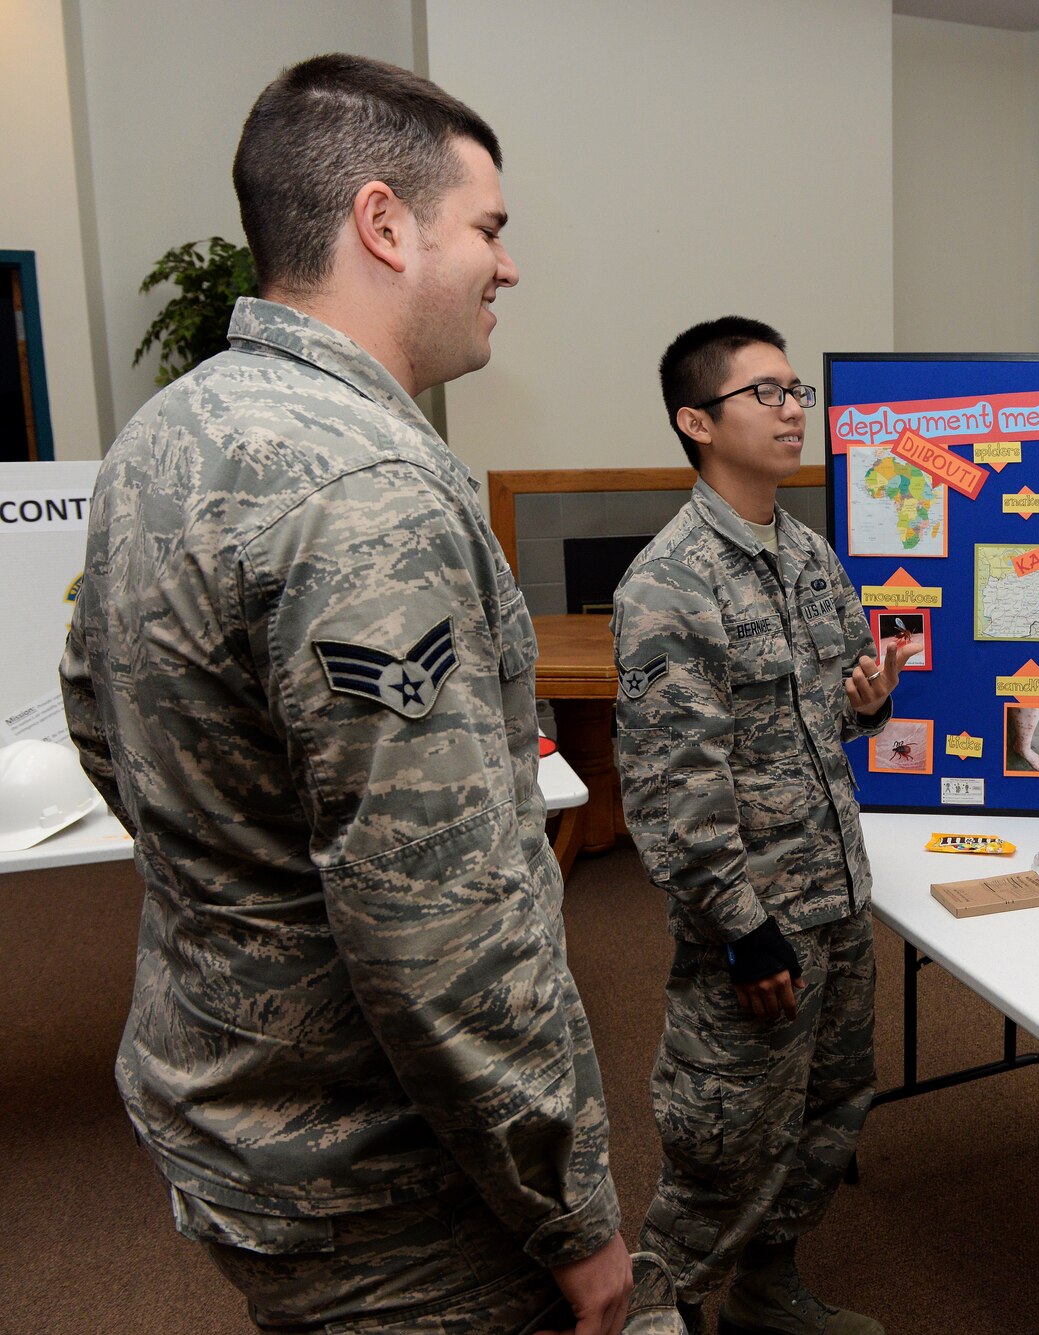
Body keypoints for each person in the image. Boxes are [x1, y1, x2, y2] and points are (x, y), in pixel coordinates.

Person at [59, 54, 630, 1335]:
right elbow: (436, 920)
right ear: (384, 224)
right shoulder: (367, 486)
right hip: (385, 1180)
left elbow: (102, 715)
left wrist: (248, 874)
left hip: (227, 1099)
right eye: (488, 227)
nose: (507, 265)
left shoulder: (164, 434)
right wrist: (572, 1217)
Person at [614, 317, 911, 1335]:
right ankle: (659, 1311)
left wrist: (866, 701)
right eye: (765, 394)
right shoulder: (667, 584)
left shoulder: (808, 556)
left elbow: (825, 712)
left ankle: (763, 1293)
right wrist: (740, 930)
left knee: (826, 1116)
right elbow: (671, 790)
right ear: (696, 421)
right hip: (754, 926)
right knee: (722, 1135)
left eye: (797, 391)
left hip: (833, 900)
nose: (792, 411)